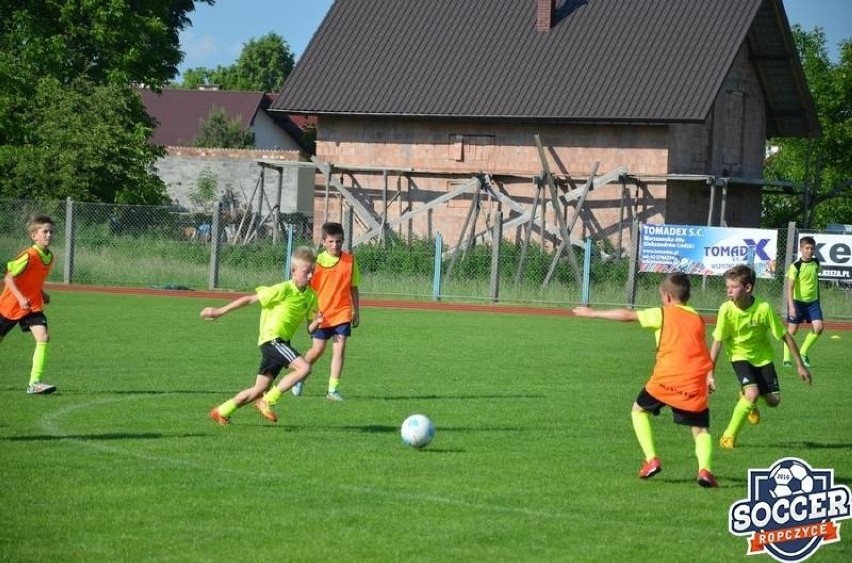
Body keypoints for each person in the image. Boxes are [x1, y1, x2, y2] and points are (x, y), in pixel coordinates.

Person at [573, 272, 719, 488]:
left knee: (638, 410)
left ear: (668, 297)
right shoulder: (698, 318)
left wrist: (592, 313)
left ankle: (651, 459)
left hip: (665, 379)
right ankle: (705, 470)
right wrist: (708, 376)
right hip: (693, 381)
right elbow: (700, 350)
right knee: (700, 429)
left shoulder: (663, 313)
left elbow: (627, 315)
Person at [202, 246, 323, 425]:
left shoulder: (311, 297)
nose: (311, 276)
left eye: (313, 272)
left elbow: (310, 329)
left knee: (260, 388)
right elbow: (250, 299)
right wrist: (220, 311)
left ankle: (222, 411)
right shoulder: (282, 289)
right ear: (294, 271)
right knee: (304, 368)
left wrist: (317, 322)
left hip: (281, 343)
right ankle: (267, 401)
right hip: (272, 340)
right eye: (306, 272)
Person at [711, 265, 811, 450]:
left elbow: (785, 336)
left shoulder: (764, 308)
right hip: (738, 356)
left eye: (733, 286)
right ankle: (728, 437)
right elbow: (717, 342)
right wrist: (710, 373)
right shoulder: (725, 309)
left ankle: (745, 396)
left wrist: (800, 365)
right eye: (727, 286)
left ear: (748, 288)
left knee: (774, 401)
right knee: (753, 393)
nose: (729, 290)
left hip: (763, 358)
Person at [291, 222, 361, 401]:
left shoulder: (350, 261)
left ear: (343, 241)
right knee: (318, 350)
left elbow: (353, 288)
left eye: (338, 241)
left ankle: (332, 390)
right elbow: (305, 287)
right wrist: (309, 312)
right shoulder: (316, 262)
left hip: (342, 312)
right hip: (320, 314)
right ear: (323, 242)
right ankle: (300, 377)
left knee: (340, 349)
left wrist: (356, 311)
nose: (335, 245)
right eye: (331, 241)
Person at [0, 216, 58, 395]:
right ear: (34, 236)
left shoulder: (49, 257)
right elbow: (8, 277)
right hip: (10, 305)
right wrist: (19, 297)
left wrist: (41, 293)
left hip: (32, 306)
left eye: (51, 232)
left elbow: (31, 281)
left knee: (43, 337)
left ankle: (34, 383)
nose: (49, 235)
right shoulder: (29, 255)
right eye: (45, 232)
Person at [782, 236, 823, 368]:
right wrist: (791, 306)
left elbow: (815, 282)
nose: (810, 251)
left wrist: (818, 299)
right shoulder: (795, 266)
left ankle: (803, 352)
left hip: (813, 303)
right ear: (801, 249)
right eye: (807, 248)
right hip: (797, 303)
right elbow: (790, 288)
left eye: (812, 248)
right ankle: (786, 359)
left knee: (819, 328)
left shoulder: (816, 263)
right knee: (792, 331)